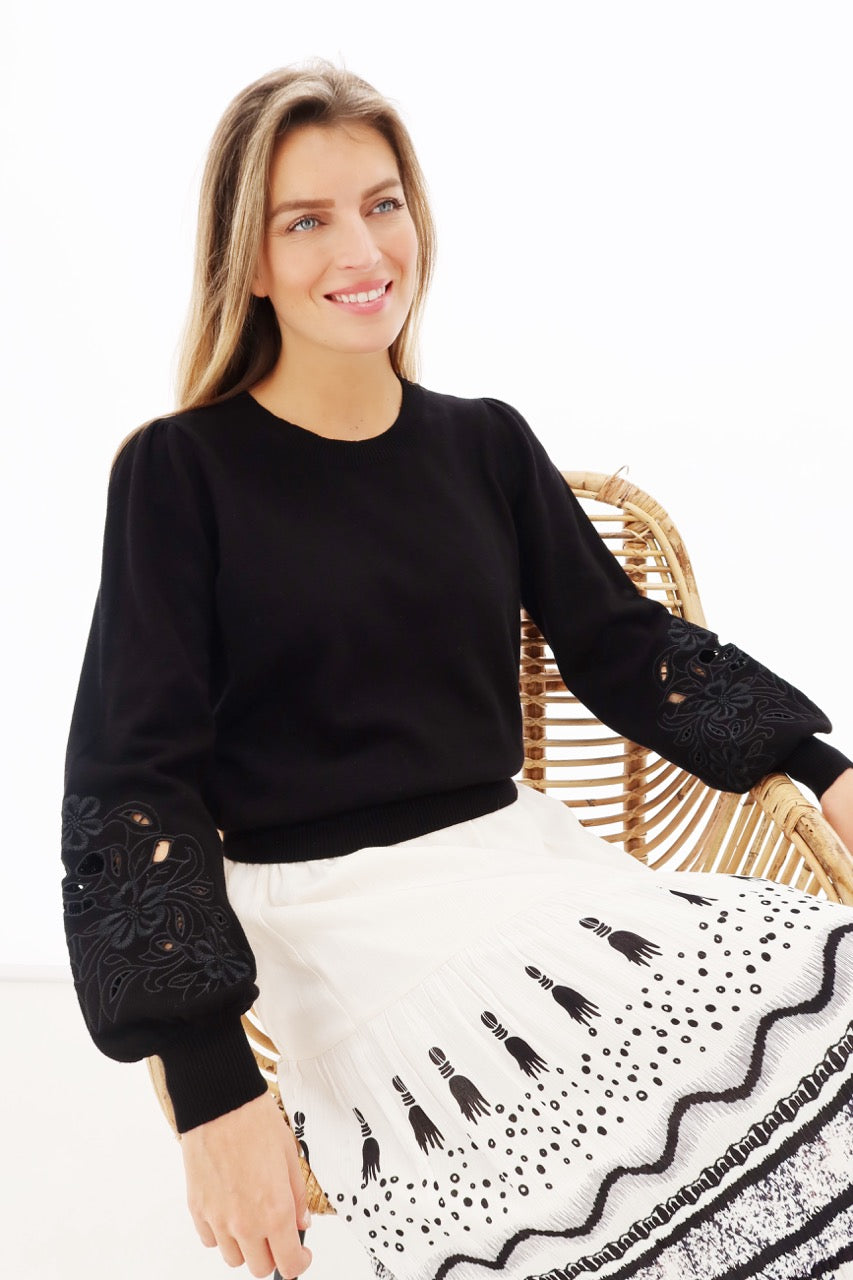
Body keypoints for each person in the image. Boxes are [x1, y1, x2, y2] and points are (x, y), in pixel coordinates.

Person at [60, 59, 853, 1280]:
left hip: (529, 867)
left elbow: (624, 644)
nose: (361, 247)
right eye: (306, 220)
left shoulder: (483, 441)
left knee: (821, 981)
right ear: (249, 258)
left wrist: (822, 767)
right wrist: (211, 1084)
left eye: (382, 203)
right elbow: (131, 782)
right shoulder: (179, 473)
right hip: (340, 927)